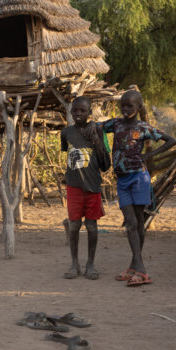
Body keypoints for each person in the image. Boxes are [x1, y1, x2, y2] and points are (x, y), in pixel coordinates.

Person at [100, 89, 176, 286]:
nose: (125, 109)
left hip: (139, 178)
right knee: (131, 222)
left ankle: (139, 268)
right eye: (123, 105)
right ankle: (136, 267)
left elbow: (171, 141)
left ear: (138, 107)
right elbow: (96, 128)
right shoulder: (115, 124)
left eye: (130, 106)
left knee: (137, 224)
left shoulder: (143, 128)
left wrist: (149, 156)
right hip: (122, 181)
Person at [60, 96, 110, 280]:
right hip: (73, 187)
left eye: (83, 111)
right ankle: (74, 264)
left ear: (90, 112)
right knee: (73, 225)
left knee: (91, 226)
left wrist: (96, 140)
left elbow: (106, 165)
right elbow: (68, 156)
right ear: (71, 112)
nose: (78, 114)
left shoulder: (97, 130)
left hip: (92, 186)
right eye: (75, 110)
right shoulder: (66, 133)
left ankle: (90, 264)